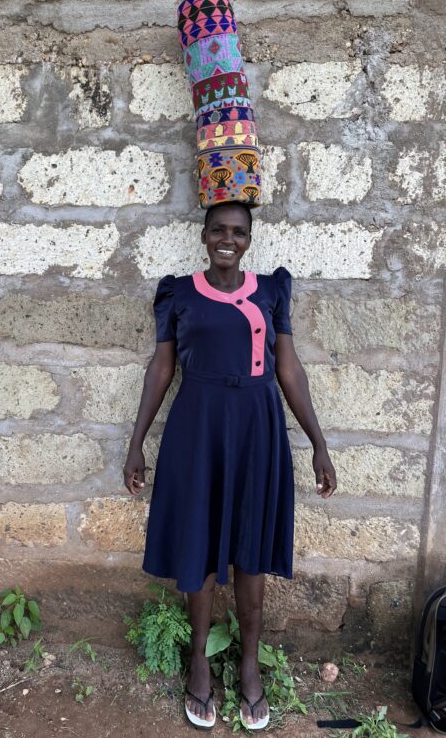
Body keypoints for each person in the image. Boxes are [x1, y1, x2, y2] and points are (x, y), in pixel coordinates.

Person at [123, 201, 337, 729]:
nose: (228, 239)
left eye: (238, 232)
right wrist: (136, 443)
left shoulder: (270, 291)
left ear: (249, 239)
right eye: (218, 229)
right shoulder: (179, 293)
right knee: (200, 539)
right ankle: (198, 658)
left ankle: (248, 662)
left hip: (256, 429)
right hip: (197, 428)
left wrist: (319, 442)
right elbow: (162, 368)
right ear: (203, 235)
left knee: (251, 547)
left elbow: (288, 369)